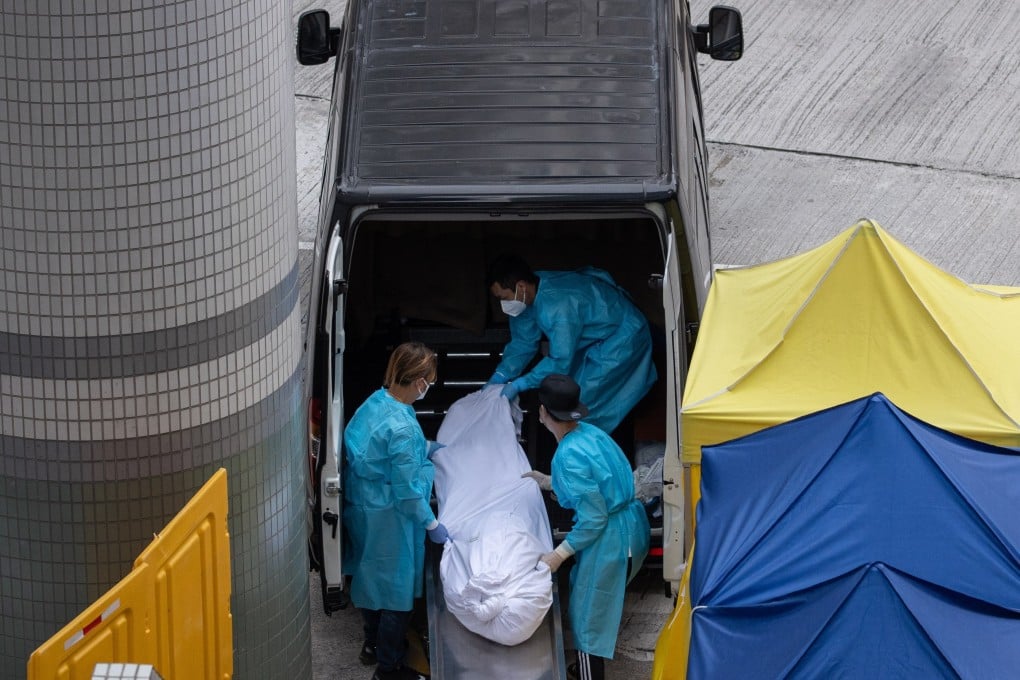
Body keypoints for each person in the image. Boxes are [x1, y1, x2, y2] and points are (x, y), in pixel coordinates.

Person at [523, 374, 650, 680]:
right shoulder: (591, 433)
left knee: (587, 622)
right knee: (597, 612)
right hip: (633, 528)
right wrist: (550, 482)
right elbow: (598, 482)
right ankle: (583, 670)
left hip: (609, 541)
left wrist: (558, 555)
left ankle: (588, 673)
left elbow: (594, 518)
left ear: (543, 412)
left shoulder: (567, 456)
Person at [343, 341, 449, 680]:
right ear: (418, 380)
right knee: (396, 594)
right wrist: (432, 523)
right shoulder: (404, 429)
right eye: (428, 380)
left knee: (369, 577)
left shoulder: (375, 401)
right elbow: (407, 493)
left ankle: (371, 642)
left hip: (364, 506)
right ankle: (388, 669)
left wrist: (424, 448)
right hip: (391, 516)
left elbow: (367, 447)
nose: (428, 386)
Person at [485, 254, 656, 435]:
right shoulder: (528, 295)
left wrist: (520, 384)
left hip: (622, 336)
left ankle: (587, 451)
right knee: (571, 396)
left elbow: (560, 361)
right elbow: (523, 342)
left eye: (504, 297)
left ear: (520, 286)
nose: (503, 304)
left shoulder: (559, 306)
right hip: (594, 339)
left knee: (582, 402)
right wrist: (500, 375)